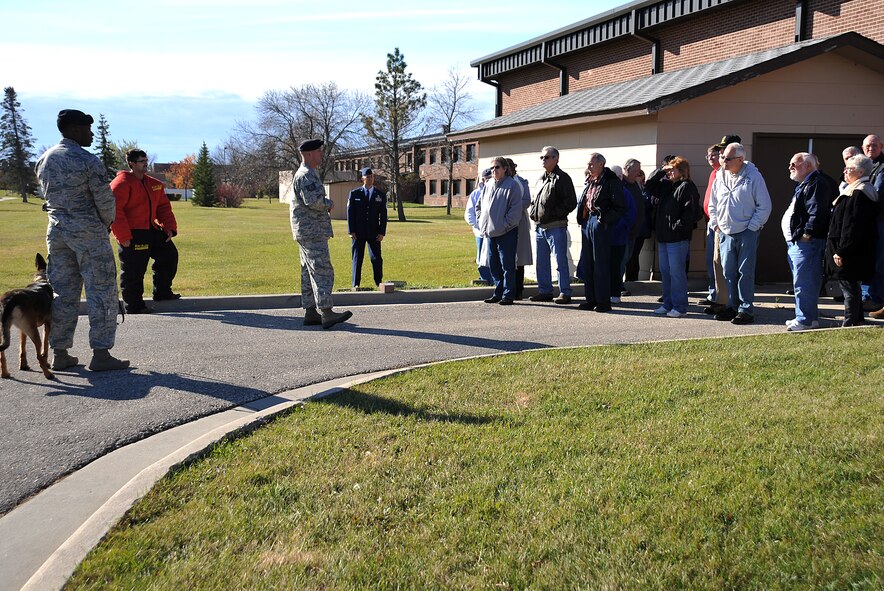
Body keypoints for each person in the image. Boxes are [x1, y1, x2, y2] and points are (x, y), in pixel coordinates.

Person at [35, 109, 129, 371]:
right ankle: (101, 353)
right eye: (87, 129)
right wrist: (106, 223)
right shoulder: (87, 160)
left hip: (56, 231)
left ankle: (60, 352)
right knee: (101, 290)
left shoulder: (44, 159)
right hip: (87, 231)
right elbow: (104, 199)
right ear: (75, 130)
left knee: (62, 292)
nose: (90, 134)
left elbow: (47, 194)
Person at [290, 139, 352, 329]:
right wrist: (329, 203)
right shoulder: (306, 175)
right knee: (322, 270)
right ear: (309, 154)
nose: (321, 155)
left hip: (307, 231)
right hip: (312, 231)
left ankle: (310, 312)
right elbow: (314, 201)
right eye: (318, 152)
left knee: (308, 272)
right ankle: (326, 312)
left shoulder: (307, 174)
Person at [708, 142, 772, 324]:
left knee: (745, 272)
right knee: (729, 271)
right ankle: (732, 306)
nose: (723, 162)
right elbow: (713, 204)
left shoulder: (753, 177)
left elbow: (764, 206)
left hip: (746, 232)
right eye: (722, 158)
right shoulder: (720, 176)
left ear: (741, 159)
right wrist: (716, 224)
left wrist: (752, 227)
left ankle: (746, 309)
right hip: (725, 232)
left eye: (728, 159)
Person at [110, 149, 180, 314]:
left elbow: (163, 207)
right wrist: (123, 236)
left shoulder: (153, 184)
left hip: (151, 228)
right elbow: (115, 211)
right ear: (132, 164)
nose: (145, 163)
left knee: (169, 255)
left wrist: (169, 228)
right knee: (134, 270)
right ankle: (134, 306)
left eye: (146, 160)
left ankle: (162, 292)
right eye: (141, 161)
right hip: (133, 233)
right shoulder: (120, 184)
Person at [781, 153, 835, 331]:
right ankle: (806, 317)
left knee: (805, 283)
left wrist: (807, 234)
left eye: (794, 165)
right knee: (801, 282)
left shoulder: (817, 183)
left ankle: (805, 320)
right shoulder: (805, 184)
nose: (790, 167)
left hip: (807, 243)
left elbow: (817, 211)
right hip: (798, 243)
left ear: (808, 166)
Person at [827, 155, 879, 326]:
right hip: (854, 248)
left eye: (849, 169)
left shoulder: (859, 193)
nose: (845, 172)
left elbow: (852, 226)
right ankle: (856, 319)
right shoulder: (860, 189)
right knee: (851, 285)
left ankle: (849, 322)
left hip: (850, 250)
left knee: (848, 285)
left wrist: (842, 251)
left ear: (861, 172)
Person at [645, 156, 699, 317]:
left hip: (677, 238)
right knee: (666, 272)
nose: (668, 173)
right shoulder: (666, 185)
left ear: (681, 171)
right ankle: (668, 304)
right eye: (667, 170)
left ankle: (680, 306)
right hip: (663, 237)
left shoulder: (687, 187)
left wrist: (677, 227)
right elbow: (649, 186)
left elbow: (692, 213)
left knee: (676, 273)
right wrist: (661, 170)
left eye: (672, 170)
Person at [575, 153, 627, 312]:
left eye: (591, 164)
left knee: (601, 265)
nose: (588, 167)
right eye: (588, 164)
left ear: (601, 164)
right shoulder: (591, 181)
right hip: (587, 222)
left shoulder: (611, 181)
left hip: (600, 223)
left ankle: (603, 301)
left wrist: (603, 220)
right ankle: (591, 300)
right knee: (588, 263)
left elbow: (620, 207)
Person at [528, 146, 577, 304]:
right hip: (540, 227)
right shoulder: (541, 178)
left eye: (547, 157)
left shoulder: (562, 178)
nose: (543, 160)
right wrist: (533, 212)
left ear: (556, 159)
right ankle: (545, 291)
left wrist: (553, 214)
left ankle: (565, 292)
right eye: (542, 157)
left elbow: (570, 202)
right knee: (541, 261)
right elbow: (537, 201)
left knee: (560, 261)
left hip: (556, 226)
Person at [476, 156, 522, 305]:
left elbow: (515, 211)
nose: (494, 170)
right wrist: (481, 221)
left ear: (504, 169)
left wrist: (504, 225)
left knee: (507, 265)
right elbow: (479, 206)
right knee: (494, 264)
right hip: (489, 232)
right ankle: (498, 292)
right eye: (492, 168)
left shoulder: (512, 185)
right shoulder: (488, 184)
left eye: (497, 167)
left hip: (506, 232)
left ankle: (508, 294)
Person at [702, 137, 735, 315]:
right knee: (713, 262)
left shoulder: (732, 173)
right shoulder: (715, 174)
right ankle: (714, 296)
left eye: (716, 154)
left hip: (726, 226)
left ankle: (726, 301)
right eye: (709, 155)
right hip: (712, 223)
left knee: (723, 263)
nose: (713, 158)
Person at [347, 167, 387, 289]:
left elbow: (383, 215)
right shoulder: (355, 194)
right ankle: (356, 283)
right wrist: (351, 231)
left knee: (376, 258)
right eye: (367, 177)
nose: (370, 179)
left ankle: (378, 282)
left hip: (374, 232)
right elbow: (350, 213)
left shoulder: (380, 195)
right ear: (362, 179)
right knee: (357, 258)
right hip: (358, 233)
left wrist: (382, 232)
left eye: (371, 177)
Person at [861, 134, 884, 318]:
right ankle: (869, 297)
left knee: (879, 262)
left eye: (874, 145)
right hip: (869, 221)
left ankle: (878, 299)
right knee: (869, 259)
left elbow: (875, 194)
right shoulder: (865, 165)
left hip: (880, 220)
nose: (871, 148)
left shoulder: (882, 166)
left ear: (881, 146)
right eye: (868, 145)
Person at [506, 158, 532, 300]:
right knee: (506, 256)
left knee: (519, 257)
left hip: (519, 221)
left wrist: (512, 207)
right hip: (503, 221)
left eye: (511, 166)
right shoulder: (501, 182)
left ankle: (518, 289)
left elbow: (526, 201)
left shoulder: (521, 182)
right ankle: (506, 287)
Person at [619, 159, 645, 298]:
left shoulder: (635, 184)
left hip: (634, 232)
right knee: (621, 260)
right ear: (626, 169)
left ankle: (618, 283)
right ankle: (617, 285)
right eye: (636, 171)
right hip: (623, 232)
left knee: (627, 258)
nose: (638, 173)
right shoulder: (620, 184)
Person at [465, 168, 494, 285]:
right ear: (482, 179)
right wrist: (479, 226)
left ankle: (494, 278)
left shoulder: (495, 190)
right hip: (480, 233)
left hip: (493, 231)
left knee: (492, 255)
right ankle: (484, 278)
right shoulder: (476, 194)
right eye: (487, 179)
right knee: (481, 256)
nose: (489, 181)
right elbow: (469, 213)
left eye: (490, 178)